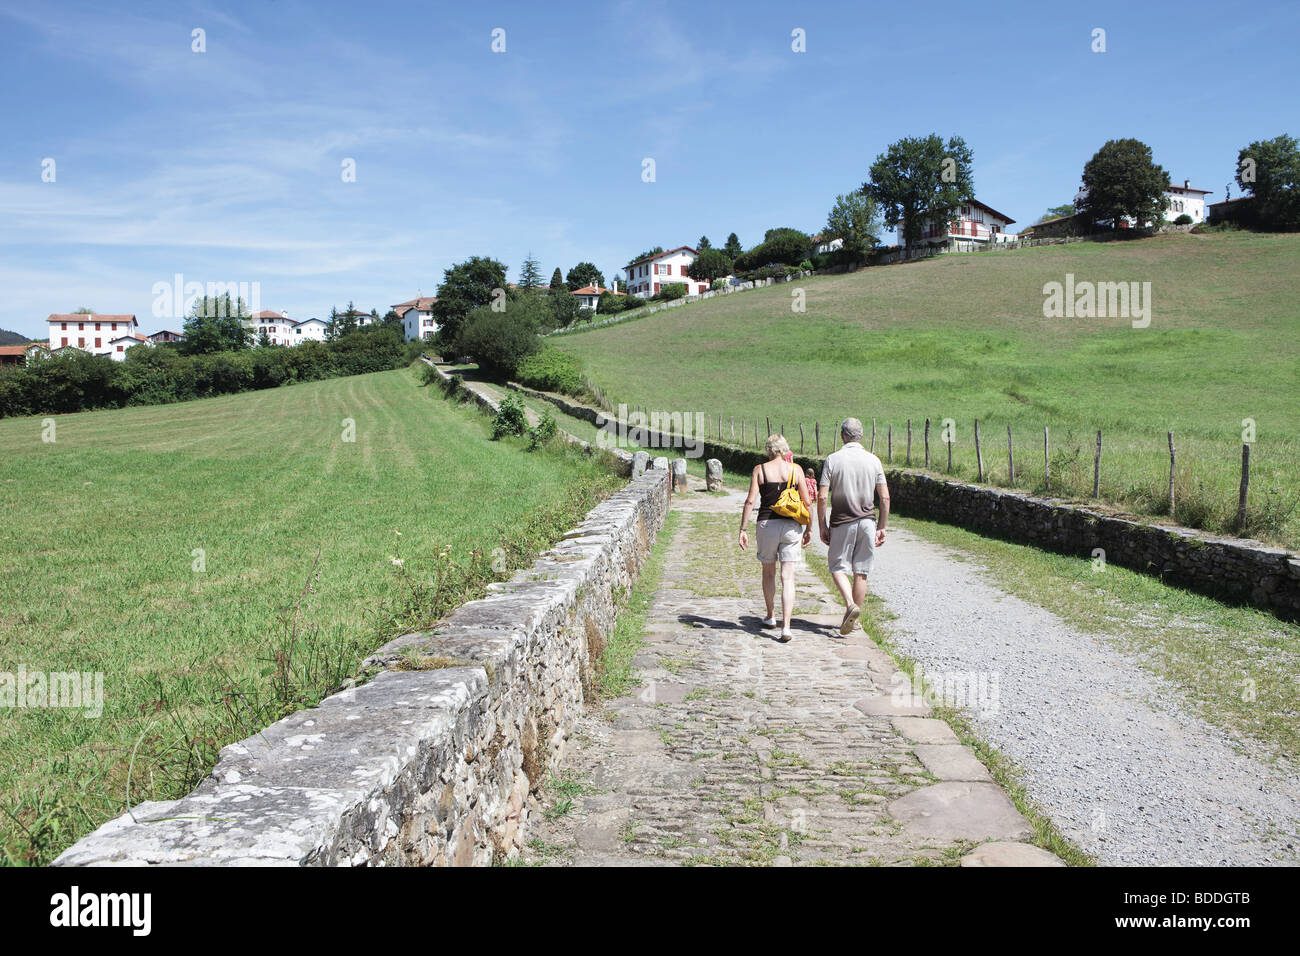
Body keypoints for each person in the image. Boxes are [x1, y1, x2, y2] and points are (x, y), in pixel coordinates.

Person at [817, 417, 889, 636]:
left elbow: (821, 497)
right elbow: (884, 497)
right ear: (862, 435)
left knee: (837, 567)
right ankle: (854, 622)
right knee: (861, 571)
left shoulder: (833, 460)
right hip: (868, 522)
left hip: (842, 521)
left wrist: (822, 525)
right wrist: (882, 526)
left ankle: (850, 605)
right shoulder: (874, 460)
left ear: (842, 435)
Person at [739, 435, 813, 642]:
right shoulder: (796, 470)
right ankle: (786, 627)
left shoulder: (759, 470)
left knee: (768, 572)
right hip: (791, 526)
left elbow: (750, 500)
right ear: (785, 449)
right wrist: (809, 529)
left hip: (767, 524)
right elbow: (807, 502)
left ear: (768, 450)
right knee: (788, 577)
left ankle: (771, 616)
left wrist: (742, 529)